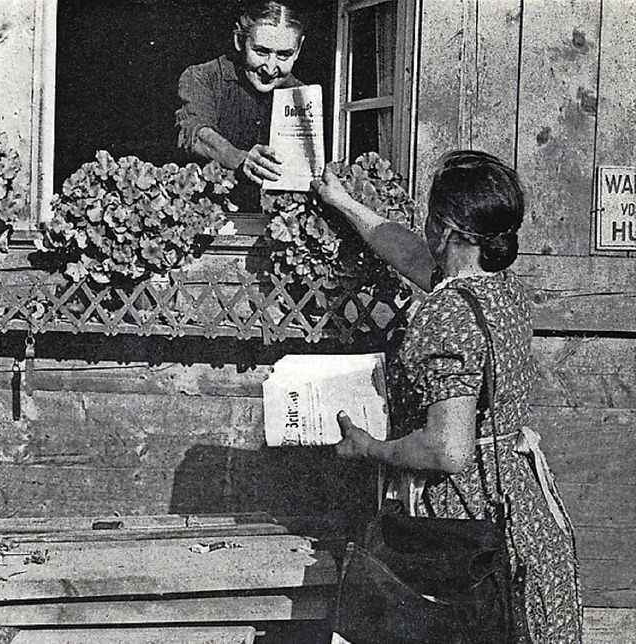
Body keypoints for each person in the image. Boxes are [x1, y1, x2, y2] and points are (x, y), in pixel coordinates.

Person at [313, 151, 583, 642]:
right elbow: (408, 253)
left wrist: (371, 447)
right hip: (523, 518)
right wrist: (342, 201)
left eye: (431, 217)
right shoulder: (498, 291)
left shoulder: (448, 315)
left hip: (465, 537)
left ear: (446, 229)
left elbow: (448, 449)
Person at [175, 1, 306, 211]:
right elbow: (194, 134)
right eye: (261, 52)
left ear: (298, 50)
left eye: (284, 55)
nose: (270, 68)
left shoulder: (303, 96)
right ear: (239, 41)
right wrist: (240, 158)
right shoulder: (201, 77)